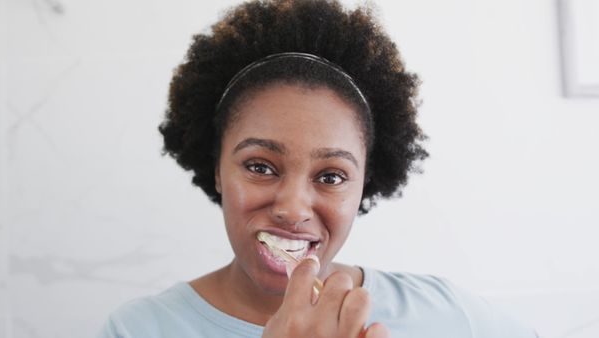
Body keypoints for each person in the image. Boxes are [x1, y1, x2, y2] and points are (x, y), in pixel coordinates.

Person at [98, 0, 538, 337]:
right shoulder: (139, 330)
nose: (292, 208)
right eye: (260, 166)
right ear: (217, 168)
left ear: (365, 184)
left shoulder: (448, 316)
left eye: (331, 177)